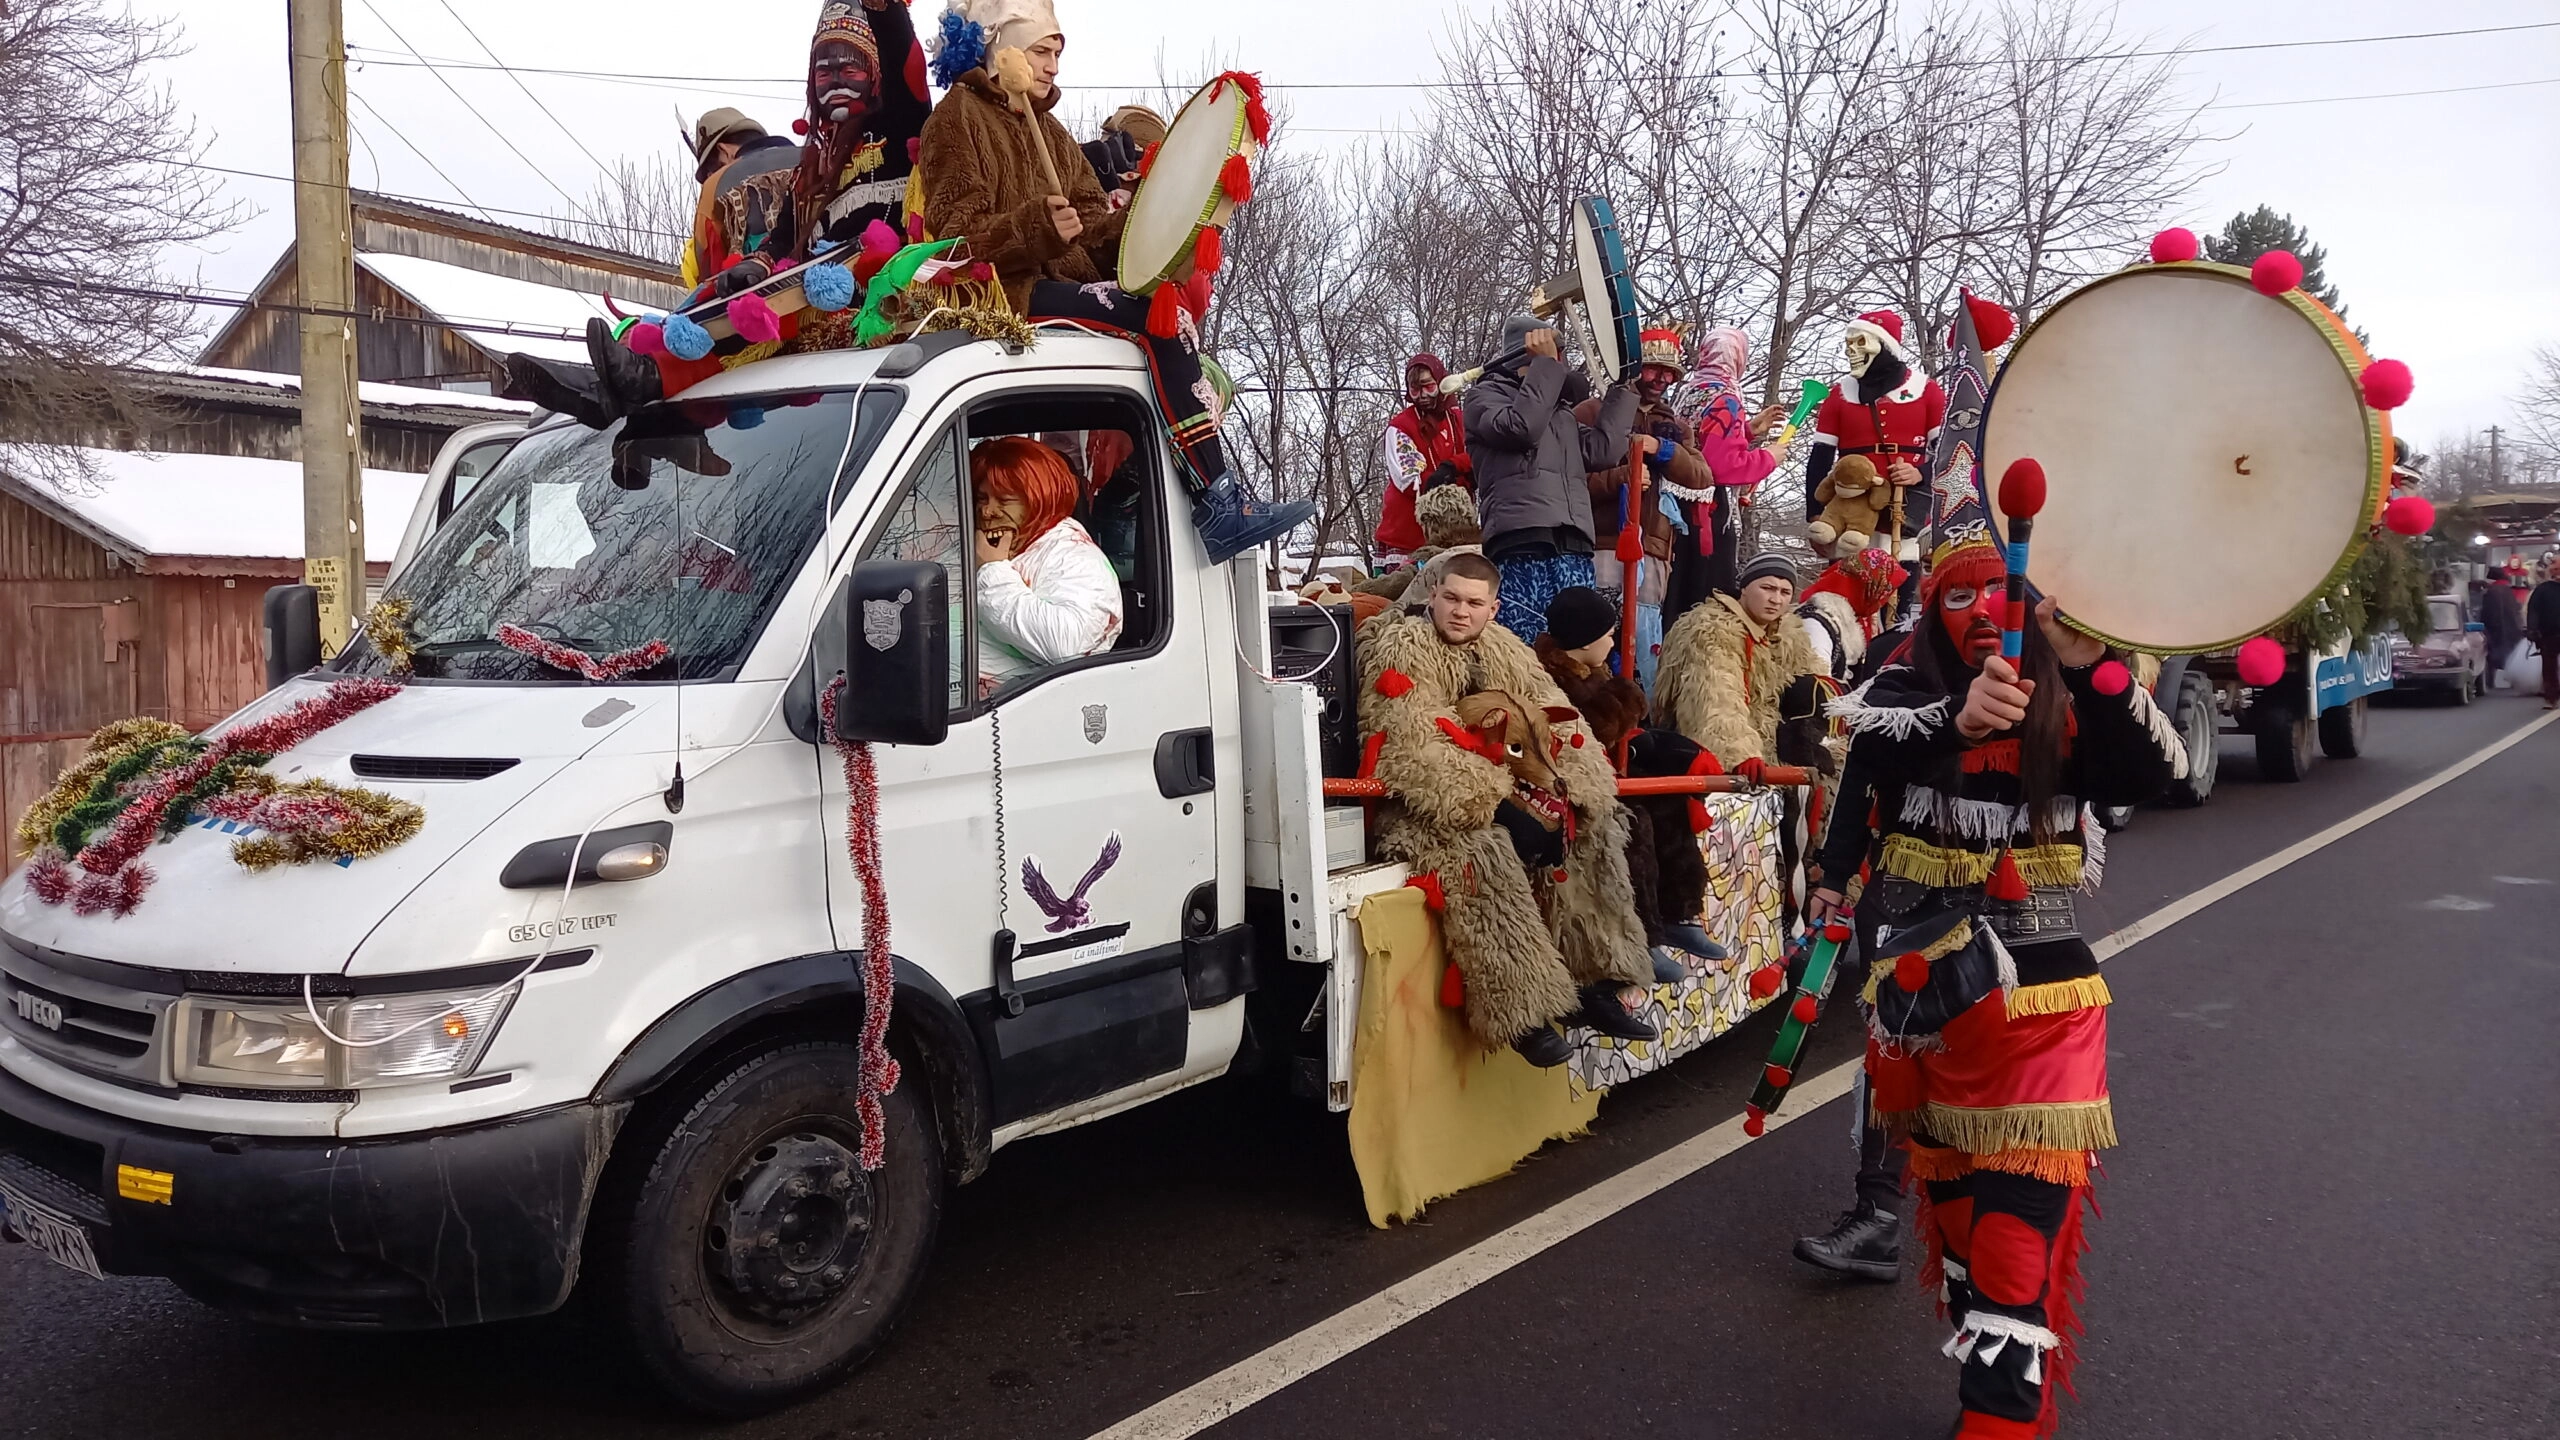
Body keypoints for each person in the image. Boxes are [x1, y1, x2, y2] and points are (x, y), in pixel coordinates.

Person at [1814, 520, 2187, 1438]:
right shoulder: (1901, 692)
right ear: (1933, 610)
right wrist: (1952, 722)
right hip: (1916, 999)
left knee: (2017, 1213)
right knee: (1955, 1202)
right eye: (1958, 595)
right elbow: (1864, 777)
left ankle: (2000, 1419)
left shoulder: (2082, 699)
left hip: (2042, 997)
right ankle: (1985, 1375)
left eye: (2002, 594)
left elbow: (2158, 776)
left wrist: (2091, 667)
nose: (1984, 614)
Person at [917, 0, 1310, 564]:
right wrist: (1036, 228)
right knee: (1147, 320)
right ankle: (1216, 502)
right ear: (1001, 49)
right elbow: (953, 239)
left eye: (1057, 52)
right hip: (1003, 298)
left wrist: (1156, 210)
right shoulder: (954, 120)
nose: (1053, 65)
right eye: (1041, 51)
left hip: (1054, 286)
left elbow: (1095, 233)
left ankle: (1177, 497)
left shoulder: (1051, 131)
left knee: (1163, 315)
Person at [505, 0, 931, 426]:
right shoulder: (813, 166)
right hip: (812, 291)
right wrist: (756, 263)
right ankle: (608, 389)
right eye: (825, 71)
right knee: (718, 294)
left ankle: (642, 379)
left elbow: (902, 59)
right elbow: (782, 240)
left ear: (874, 78)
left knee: (760, 312)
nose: (836, 80)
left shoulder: (899, 130)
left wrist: (886, 8)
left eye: (849, 69)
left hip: (871, 294)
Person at [1357, 554, 1658, 1066]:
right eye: (1451, 598)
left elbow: (1556, 717)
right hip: (1419, 803)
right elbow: (1413, 741)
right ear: (1432, 595)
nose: (1460, 612)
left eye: (1474, 603)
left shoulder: (1506, 649)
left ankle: (1597, 980)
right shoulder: (1400, 645)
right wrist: (1498, 804)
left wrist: (1572, 790)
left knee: (1589, 825)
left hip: (1505, 786)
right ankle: (1525, 1012)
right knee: (1483, 851)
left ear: (1493, 608)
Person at [1533, 586, 1727, 979]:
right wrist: (1624, 701)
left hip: (1608, 773)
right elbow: (1588, 729)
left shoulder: (1594, 670)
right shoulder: (1554, 678)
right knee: (1634, 822)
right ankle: (1646, 935)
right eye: (1606, 632)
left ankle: (1679, 911)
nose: (1611, 639)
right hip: (1572, 785)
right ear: (1584, 637)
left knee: (1669, 803)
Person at [1463, 314, 1639, 641]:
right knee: (1527, 647)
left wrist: (1624, 390)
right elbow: (1522, 428)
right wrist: (1543, 368)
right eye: (1553, 357)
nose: (1561, 366)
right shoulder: (1483, 397)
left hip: (1572, 541)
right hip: (1522, 540)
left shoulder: (1558, 411)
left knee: (1578, 646)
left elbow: (1603, 451)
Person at [1577, 326, 1706, 690]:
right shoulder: (1591, 412)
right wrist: (1620, 477)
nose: (1661, 380)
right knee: (1595, 634)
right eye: (1653, 369)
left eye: (1669, 373)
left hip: (1653, 548)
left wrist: (1663, 450)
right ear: (1634, 367)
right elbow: (1568, 483)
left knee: (1644, 642)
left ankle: (1639, 718)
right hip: (1599, 543)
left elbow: (1702, 476)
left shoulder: (1677, 427)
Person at [969, 437, 1123, 687]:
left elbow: (1068, 645)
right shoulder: (1008, 545)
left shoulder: (1073, 556)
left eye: (1005, 500)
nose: (988, 512)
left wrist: (992, 572)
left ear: (1038, 500)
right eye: (982, 499)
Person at [1665, 326, 1790, 625]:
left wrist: (1747, 431)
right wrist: (1768, 458)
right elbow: (1723, 467)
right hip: (1708, 512)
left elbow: (1700, 444)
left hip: (1675, 504)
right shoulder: (1728, 398)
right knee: (1707, 601)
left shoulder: (1690, 389)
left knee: (1676, 593)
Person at [1652, 552, 1821, 771]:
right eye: (1767, 588)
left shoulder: (1791, 635)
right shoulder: (1711, 630)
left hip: (1772, 749)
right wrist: (1739, 754)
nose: (1776, 599)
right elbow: (1715, 698)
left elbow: (1814, 680)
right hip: (1713, 753)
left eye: (1785, 592)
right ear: (1745, 587)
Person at [1804, 310, 1947, 561]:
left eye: (1861, 342)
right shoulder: (1839, 394)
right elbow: (1820, 458)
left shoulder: (1927, 390)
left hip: (1905, 512)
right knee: (1847, 593)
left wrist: (1920, 474)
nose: (1851, 351)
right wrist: (1815, 514)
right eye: (1849, 344)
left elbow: (1950, 452)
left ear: (1885, 345)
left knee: (1900, 588)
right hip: (1848, 514)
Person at [1377, 354, 1472, 566]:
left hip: (1455, 532)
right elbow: (1409, 480)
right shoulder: (1401, 427)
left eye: (1428, 387)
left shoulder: (1458, 419)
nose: (1422, 395)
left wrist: (1454, 466)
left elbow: (1476, 453)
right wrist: (1445, 481)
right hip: (1409, 534)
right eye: (1415, 390)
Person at [2481, 569, 2526, 688]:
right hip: (2512, 628)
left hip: (2494, 628)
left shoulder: (2490, 592)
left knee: (2491, 656)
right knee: (2511, 654)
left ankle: (2490, 681)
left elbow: (2486, 612)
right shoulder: (2509, 591)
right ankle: (2514, 681)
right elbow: (2517, 609)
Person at [2528, 567, 2560, 709]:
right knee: (2549, 667)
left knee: (2549, 667)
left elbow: (2533, 610)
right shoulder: (2542, 589)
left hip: (2548, 633)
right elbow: (2534, 611)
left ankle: (2551, 698)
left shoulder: (2542, 589)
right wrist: (2532, 629)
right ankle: (2551, 697)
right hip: (2548, 634)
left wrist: (2532, 629)